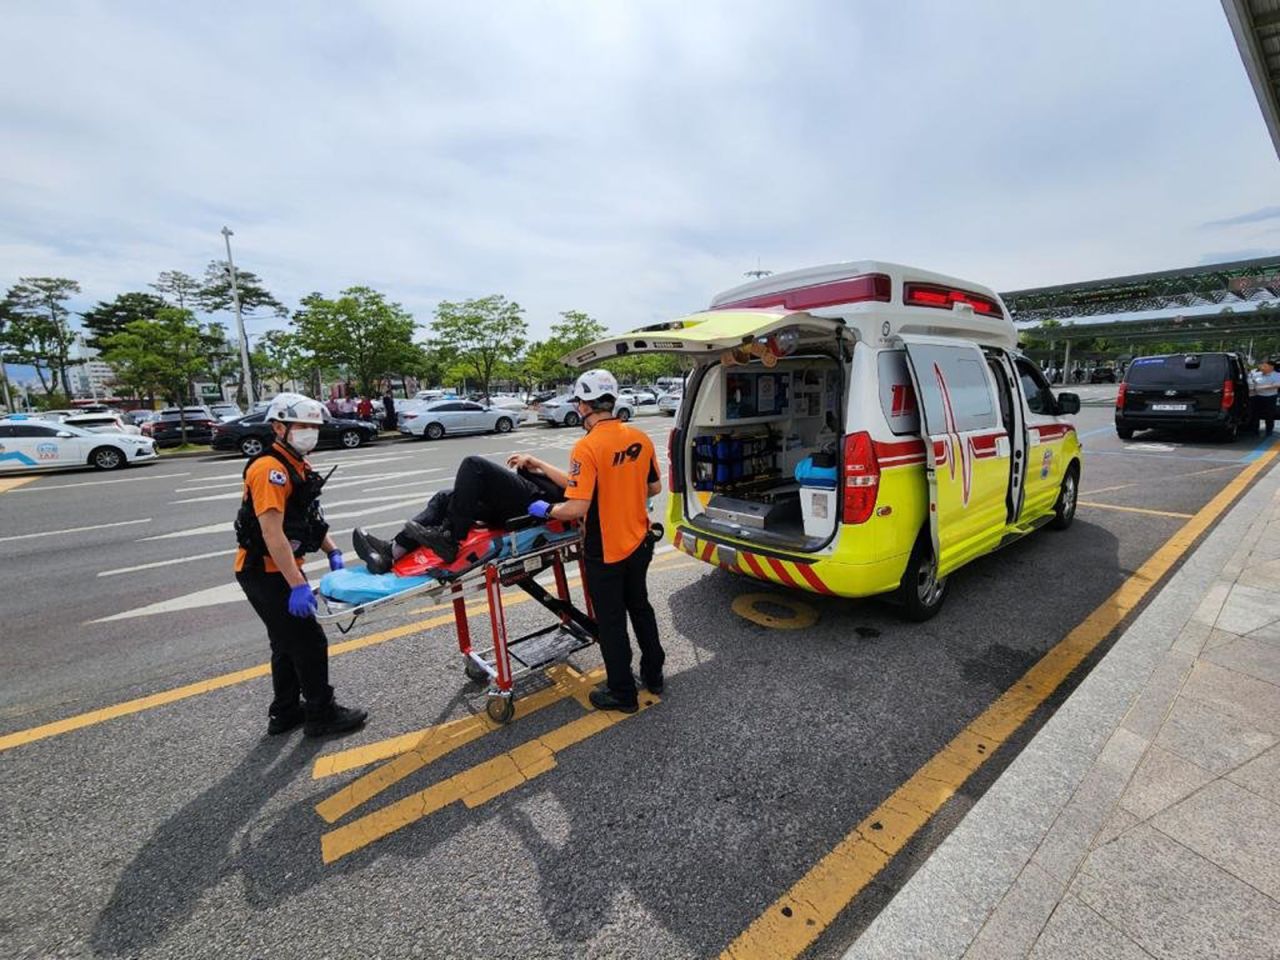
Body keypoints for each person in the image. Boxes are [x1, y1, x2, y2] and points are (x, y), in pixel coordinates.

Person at [512, 369, 664, 714]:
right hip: (640, 542)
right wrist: (540, 466)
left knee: (611, 622)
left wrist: (545, 507)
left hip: (605, 551)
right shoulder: (638, 437)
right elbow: (653, 488)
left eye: (579, 402)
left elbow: (578, 504)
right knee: (640, 607)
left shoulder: (587, 446)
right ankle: (654, 674)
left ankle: (622, 693)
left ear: (584, 405)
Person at [234, 392, 367, 738]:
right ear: (279, 427)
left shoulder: (297, 464)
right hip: (264, 570)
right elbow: (272, 533)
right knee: (308, 642)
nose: (311, 433)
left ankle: (285, 712)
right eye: (303, 426)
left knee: (285, 643)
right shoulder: (269, 469)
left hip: (277, 568)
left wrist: (333, 551)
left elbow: (307, 517)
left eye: (314, 427)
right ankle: (321, 714)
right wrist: (296, 584)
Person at [352, 456, 566, 572]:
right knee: (445, 497)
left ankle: (452, 539)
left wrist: (539, 464)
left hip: (539, 502)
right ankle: (391, 553)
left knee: (473, 465)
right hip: (531, 495)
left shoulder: (593, 444)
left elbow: (574, 485)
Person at [1250, 359, 1280, 437]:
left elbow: (1277, 385)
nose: (1262, 367)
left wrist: (1261, 387)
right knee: (1255, 414)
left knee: (1269, 415)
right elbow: (1251, 382)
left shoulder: (1277, 375)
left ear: (1271, 367)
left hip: (1270, 397)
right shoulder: (1256, 374)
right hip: (1257, 397)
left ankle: (1269, 431)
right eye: (1262, 365)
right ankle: (1254, 431)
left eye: (1264, 366)